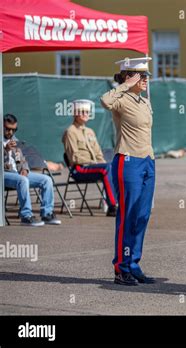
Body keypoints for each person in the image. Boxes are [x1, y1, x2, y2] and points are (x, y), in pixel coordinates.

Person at [100, 57, 156, 286]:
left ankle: (134, 264)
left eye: (146, 76)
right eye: (141, 76)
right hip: (128, 160)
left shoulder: (144, 102)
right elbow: (104, 100)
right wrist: (124, 84)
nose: (145, 80)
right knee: (128, 215)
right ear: (129, 76)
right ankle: (121, 268)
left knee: (142, 215)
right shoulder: (121, 99)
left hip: (147, 161)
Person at [3, 114, 61, 227]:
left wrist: (25, 169)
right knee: (22, 180)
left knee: (46, 180)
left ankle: (47, 214)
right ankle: (26, 216)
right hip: (4, 174)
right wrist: (5, 150)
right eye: (7, 129)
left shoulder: (14, 140)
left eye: (14, 130)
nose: (10, 132)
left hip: (17, 174)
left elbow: (22, 159)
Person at [62, 99, 117, 217]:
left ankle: (120, 204)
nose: (85, 114)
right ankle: (113, 206)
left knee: (114, 167)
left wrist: (99, 162)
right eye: (82, 112)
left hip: (93, 167)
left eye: (87, 112)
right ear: (75, 114)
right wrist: (94, 163)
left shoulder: (90, 131)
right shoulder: (70, 132)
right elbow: (74, 157)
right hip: (79, 169)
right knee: (106, 168)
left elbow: (98, 153)